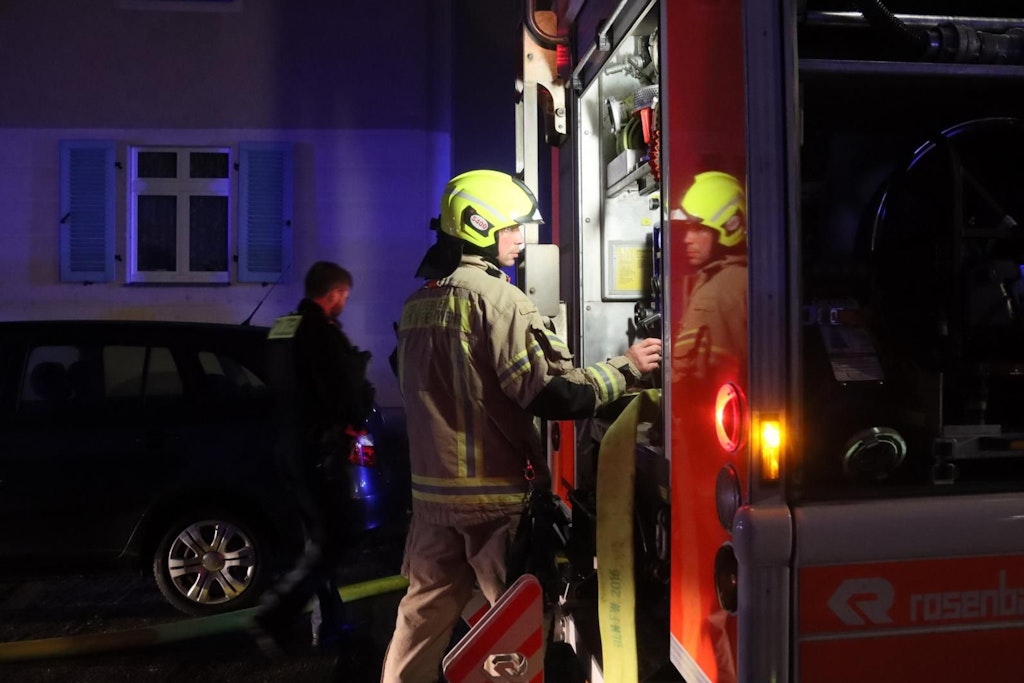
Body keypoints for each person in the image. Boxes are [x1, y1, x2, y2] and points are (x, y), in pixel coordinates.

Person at [380, 169, 662, 682]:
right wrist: (627, 368)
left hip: (432, 502)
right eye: (512, 228)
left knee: (421, 617)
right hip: (491, 501)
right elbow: (556, 393)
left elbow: (411, 379)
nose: (519, 238)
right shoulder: (497, 300)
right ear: (479, 226)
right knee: (510, 628)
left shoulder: (419, 302)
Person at [255, 260, 375, 654]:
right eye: (344, 296)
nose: (344, 303)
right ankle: (277, 615)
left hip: (285, 446)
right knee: (336, 536)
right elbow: (340, 392)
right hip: (317, 450)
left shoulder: (281, 328)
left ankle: (327, 622)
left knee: (319, 539)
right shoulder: (322, 335)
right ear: (334, 292)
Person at [670, 170, 748, 384]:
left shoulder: (718, 292)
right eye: (687, 229)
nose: (687, 239)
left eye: (698, 229)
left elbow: (697, 381)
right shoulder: (724, 279)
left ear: (729, 227)